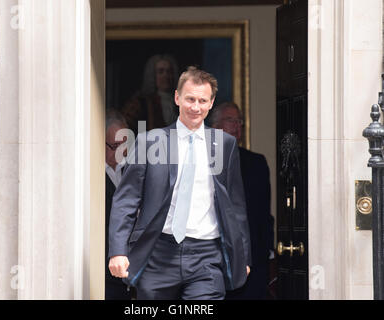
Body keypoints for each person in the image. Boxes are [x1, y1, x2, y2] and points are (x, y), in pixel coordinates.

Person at [108, 67, 251, 300]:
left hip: (207, 256)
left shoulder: (225, 145)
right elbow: (126, 200)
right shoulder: (150, 141)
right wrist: (118, 251)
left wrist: (242, 256)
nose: (196, 107)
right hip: (158, 254)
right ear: (177, 98)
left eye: (202, 100)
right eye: (190, 99)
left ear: (211, 102)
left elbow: (235, 205)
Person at [209, 102, 275, 300]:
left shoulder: (257, 163)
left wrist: (266, 254)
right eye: (231, 120)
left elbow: (264, 214)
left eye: (240, 122)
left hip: (253, 263)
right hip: (213, 262)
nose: (237, 126)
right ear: (215, 127)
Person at [105, 109, 131, 300]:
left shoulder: (133, 169)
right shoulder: (86, 172)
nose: (121, 152)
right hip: (104, 270)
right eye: (115, 146)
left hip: (132, 269)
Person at [122, 54, 179, 134]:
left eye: (169, 71)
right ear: (153, 75)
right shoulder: (141, 102)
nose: (165, 75)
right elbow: (125, 126)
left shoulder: (180, 102)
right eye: (161, 71)